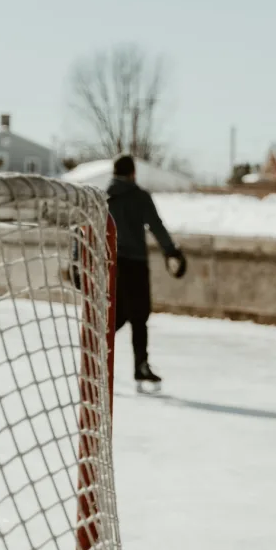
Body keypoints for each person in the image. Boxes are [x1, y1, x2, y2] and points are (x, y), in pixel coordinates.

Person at [106, 154, 186, 387]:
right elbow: (156, 225)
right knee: (139, 316)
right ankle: (140, 365)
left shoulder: (104, 197)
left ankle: (96, 351)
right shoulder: (139, 197)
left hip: (112, 264)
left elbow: (85, 229)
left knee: (118, 313)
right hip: (136, 264)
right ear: (133, 174)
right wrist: (172, 252)